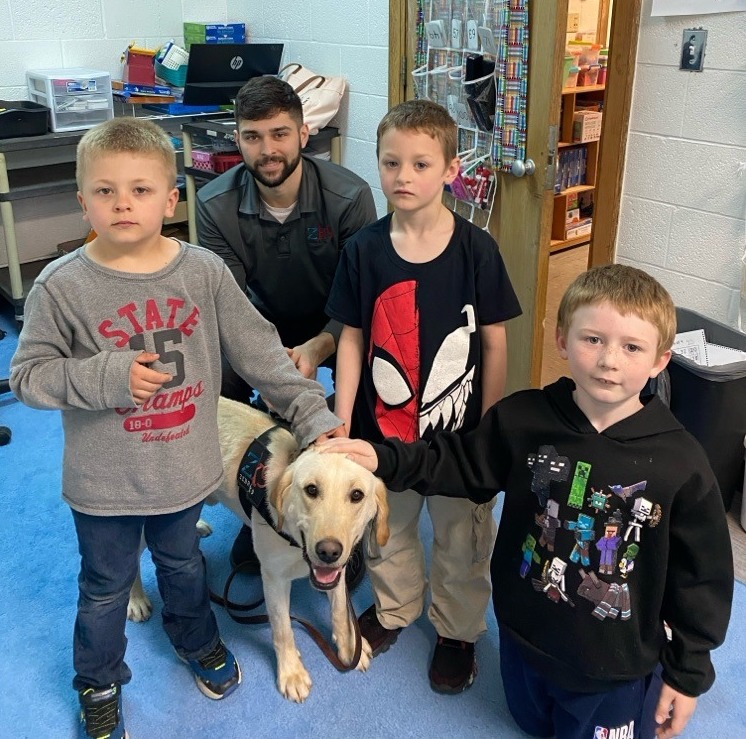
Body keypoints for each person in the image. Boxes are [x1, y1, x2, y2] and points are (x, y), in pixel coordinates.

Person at [10, 117, 343, 739]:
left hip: (187, 470)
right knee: (105, 590)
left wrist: (315, 420)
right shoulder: (61, 286)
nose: (122, 204)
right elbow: (28, 377)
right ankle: (100, 681)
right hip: (104, 483)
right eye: (105, 191)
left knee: (186, 567)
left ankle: (197, 643)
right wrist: (106, 378)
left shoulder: (203, 273)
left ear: (171, 199)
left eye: (140, 190)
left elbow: (264, 355)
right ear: (82, 200)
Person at [321, 264, 733, 739]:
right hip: (523, 639)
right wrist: (381, 456)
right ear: (561, 340)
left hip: (611, 667)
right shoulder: (523, 419)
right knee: (530, 722)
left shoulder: (681, 462)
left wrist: (688, 674)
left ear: (661, 360)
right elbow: (454, 462)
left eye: (632, 347)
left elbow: (702, 578)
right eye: (592, 339)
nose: (608, 361)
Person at [325, 99, 521, 693]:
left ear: (450, 170)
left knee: (462, 537)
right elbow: (352, 339)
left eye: (419, 164)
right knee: (388, 528)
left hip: (459, 439)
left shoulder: (476, 250)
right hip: (383, 435)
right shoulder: (363, 249)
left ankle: (458, 630)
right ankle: (396, 608)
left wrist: (487, 430)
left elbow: (494, 344)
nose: (403, 177)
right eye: (391, 163)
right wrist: (341, 424)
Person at [196, 75, 377, 575]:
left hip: (338, 323)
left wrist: (320, 347)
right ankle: (259, 509)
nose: (267, 149)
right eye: (253, 136)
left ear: (304, 134)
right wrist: (273, 369)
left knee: (363, 381)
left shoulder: (350, 196)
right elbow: (227, 311)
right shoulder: (213, 204)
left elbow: (365, 300)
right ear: (238, 140)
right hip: (258, 327)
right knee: (216, 375)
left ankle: (342, 524)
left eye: (279, 133)